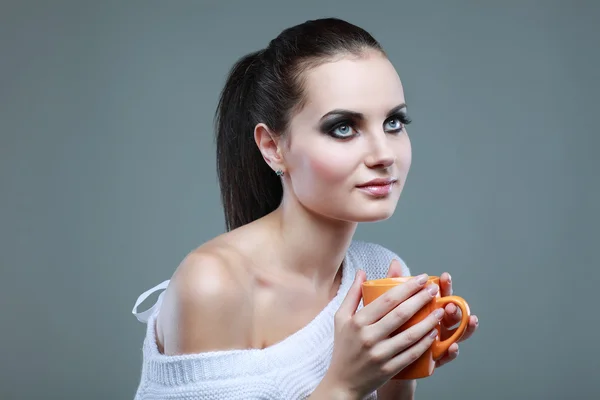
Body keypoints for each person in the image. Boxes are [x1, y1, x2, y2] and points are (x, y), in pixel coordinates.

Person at [131, 17, 479, 400]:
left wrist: (401, 366)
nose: (383, 155)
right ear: (272, 147)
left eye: (394, 122)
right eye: (343, 127)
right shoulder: (212, 286)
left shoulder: (381, 273)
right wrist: (343, 384)